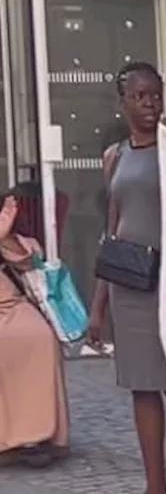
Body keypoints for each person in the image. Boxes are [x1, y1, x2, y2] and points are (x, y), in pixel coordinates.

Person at [90, 62, 166, 494]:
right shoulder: (115, 155)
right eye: (140, 97)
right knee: (142, 385)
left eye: (156, 95)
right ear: (124, 103)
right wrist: (98, 304)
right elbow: (112, 226)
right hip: (130, 281)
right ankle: (153, 487)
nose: (150, 104)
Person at [0, 196, 69, 460]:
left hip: (11, 304)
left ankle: (37, 435)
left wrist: (5, 236)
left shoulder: (10, 228)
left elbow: (29, 261)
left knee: (40, 337)